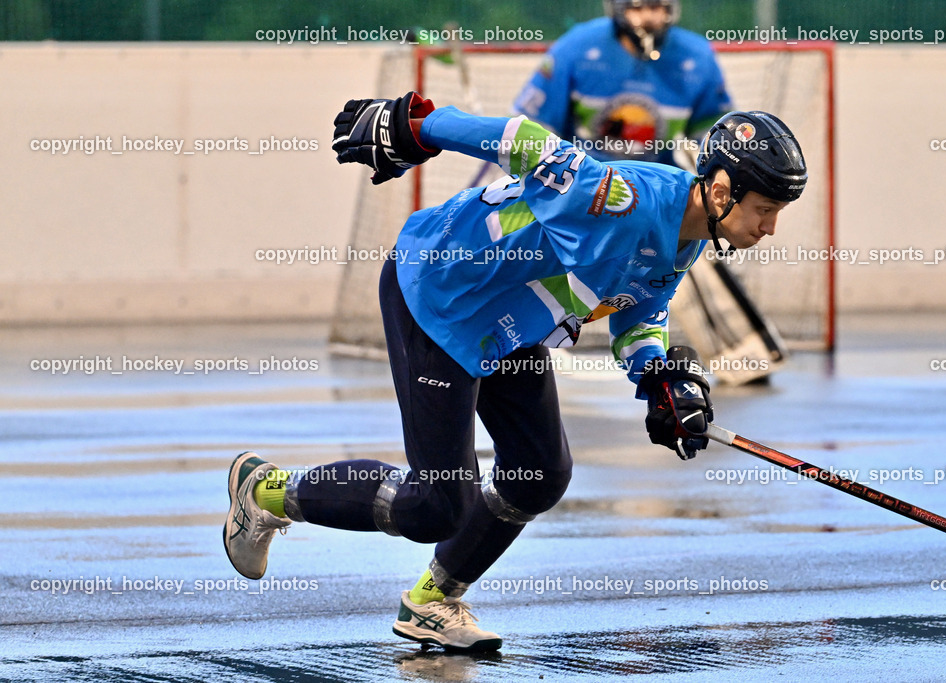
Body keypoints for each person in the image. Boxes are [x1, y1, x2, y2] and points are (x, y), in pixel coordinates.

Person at [222, 92, 806, 652]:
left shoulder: (687, 237)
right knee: (437, 505)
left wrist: (658, 379)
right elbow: (528, 143)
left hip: (510, 325)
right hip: (442, 298)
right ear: (723, 190)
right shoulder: (623, 200)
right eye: (766, 210)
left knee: (540, 473)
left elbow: (640, 313)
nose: (771, 227)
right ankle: (265, 492)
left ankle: (433, 602)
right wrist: (421, 126)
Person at [513, 0, 733, 169]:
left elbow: (718, 141)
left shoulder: (698, 57)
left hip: (658, 186)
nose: (648, 18)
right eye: (637, 8)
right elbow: (530, 129)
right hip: (580, 179)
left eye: (656, 7)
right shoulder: (575, 47)